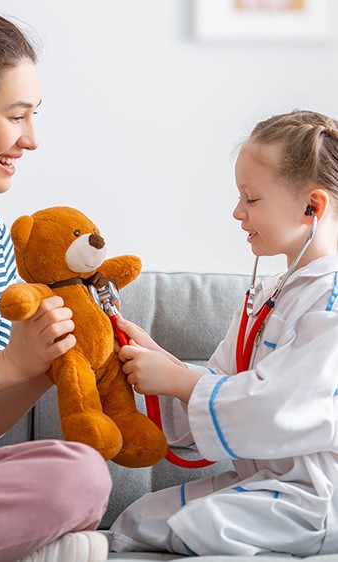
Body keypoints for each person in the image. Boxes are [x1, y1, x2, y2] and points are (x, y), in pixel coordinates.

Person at [110, 109, 338, 557]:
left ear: (313, 206)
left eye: (251, 199)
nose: (237, 212)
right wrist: (154, 356)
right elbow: (220, 384)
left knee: (207, 523)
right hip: (266, 483)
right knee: (139, 517)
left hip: (316, 495)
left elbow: (278, 407)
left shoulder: (330, 302)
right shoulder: (267, 296)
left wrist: (177, 379)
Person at [0, 6, 112, 562]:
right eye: (17, 115)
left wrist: (40, 362)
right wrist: (8, 364)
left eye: (35, 115)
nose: (32, 139)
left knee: (78, 474)